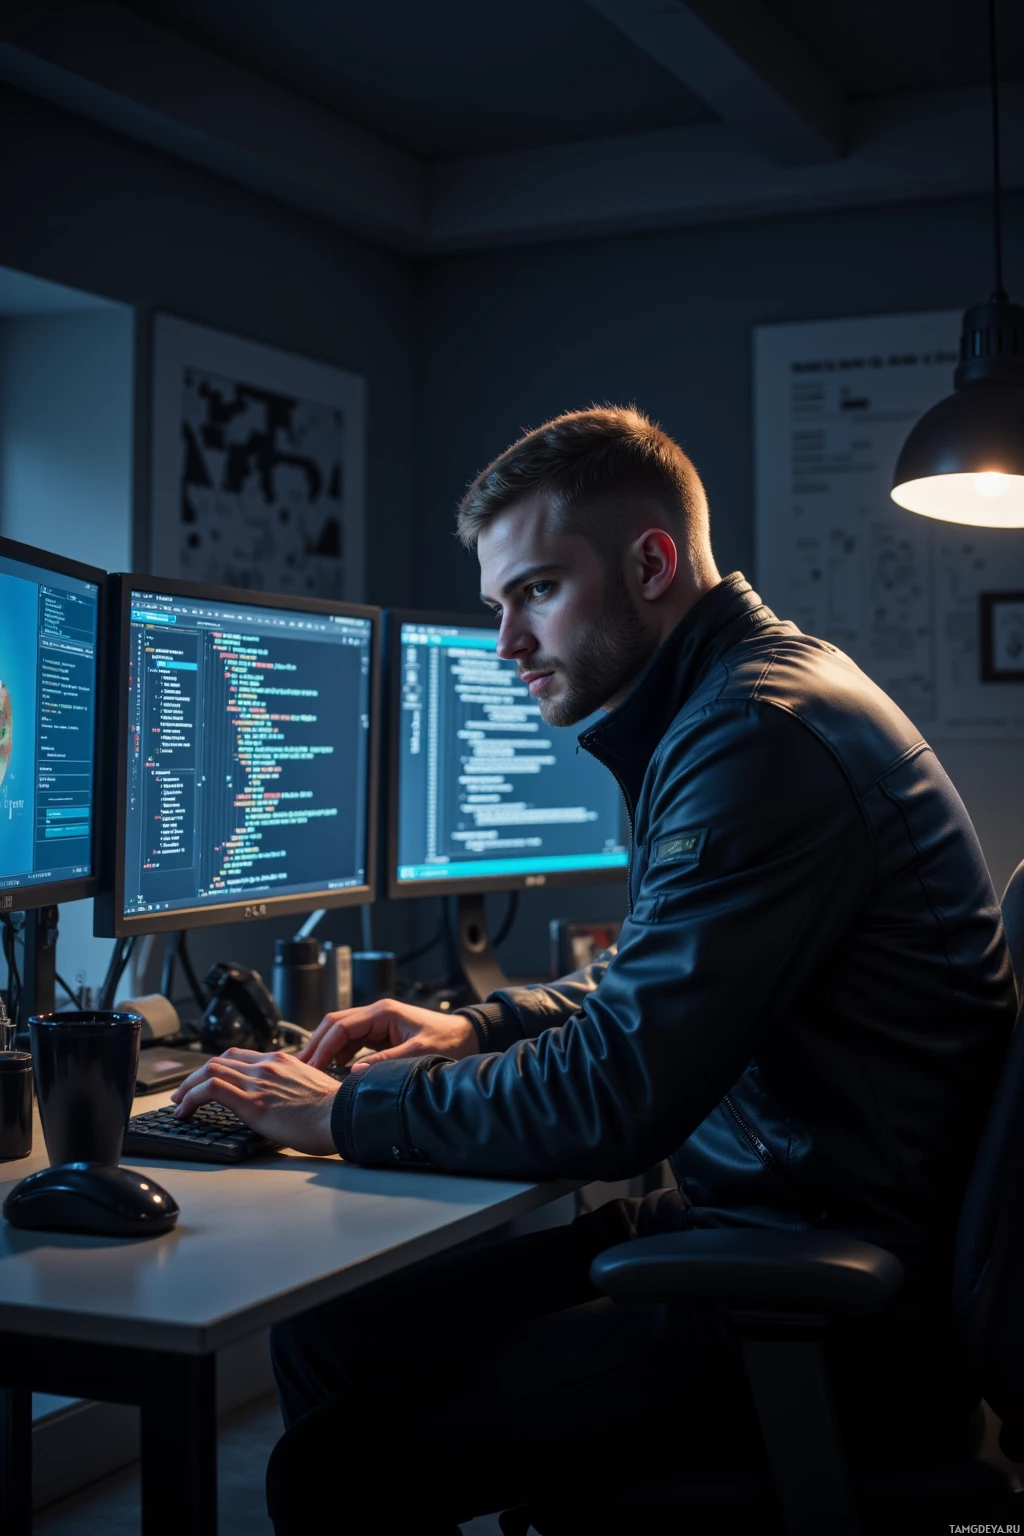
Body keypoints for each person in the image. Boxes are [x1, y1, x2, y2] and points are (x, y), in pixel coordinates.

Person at [172, 406, 1016, 1535]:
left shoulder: (756, 736)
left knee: (329, 1469)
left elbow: (619, 1095)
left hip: (829, 1301)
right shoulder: (744, 701)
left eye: (535, 592)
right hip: (779, 1228)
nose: (505, 644)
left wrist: (355, 1111)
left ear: (651, 563)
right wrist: (477, 1031)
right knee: (331, 1333)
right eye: (495, 606)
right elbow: (663, 987)